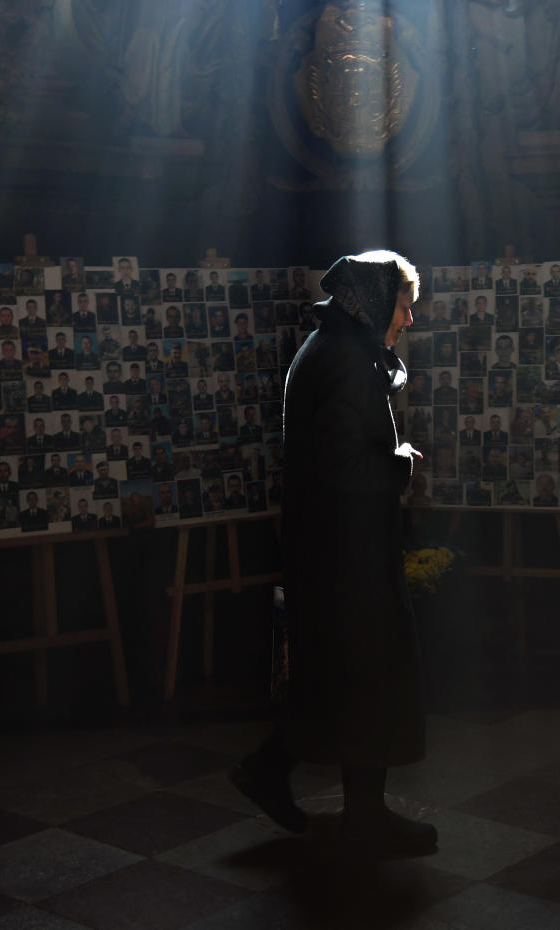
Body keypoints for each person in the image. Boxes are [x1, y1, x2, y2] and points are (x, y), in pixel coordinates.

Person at [230, 250, 435, 856]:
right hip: (349, 555)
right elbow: (348, 467)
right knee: (370, 678)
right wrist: (402, 462)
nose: (408, 320)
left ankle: (284, 780)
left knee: (340, 681)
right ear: (374, 302)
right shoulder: (346, 359)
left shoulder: (331, 347)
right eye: (403, 306)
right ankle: (359, 816)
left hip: (335, 550)